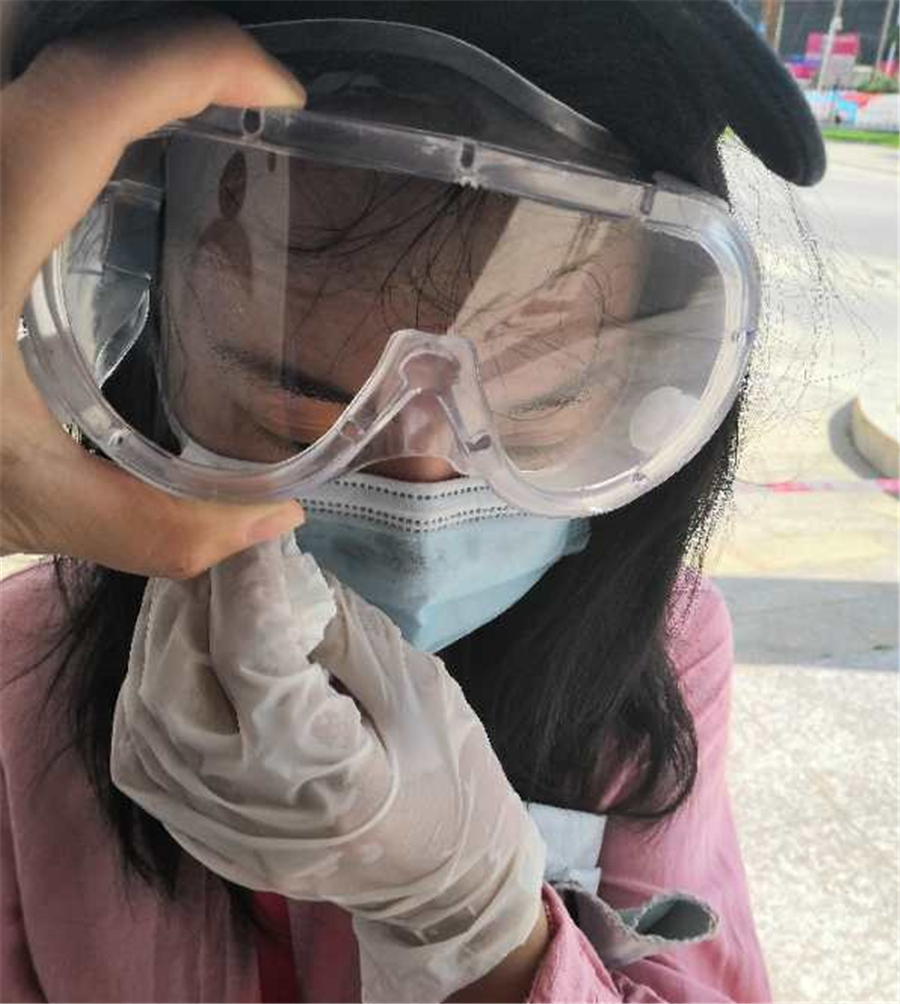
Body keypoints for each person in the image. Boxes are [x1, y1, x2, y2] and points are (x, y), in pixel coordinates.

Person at [0, 2, 826, 1002]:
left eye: (532, 416)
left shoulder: (664, 653)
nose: (420, 507)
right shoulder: (22, 659)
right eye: (293, 413)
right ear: (147, 352)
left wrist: (487, 935)